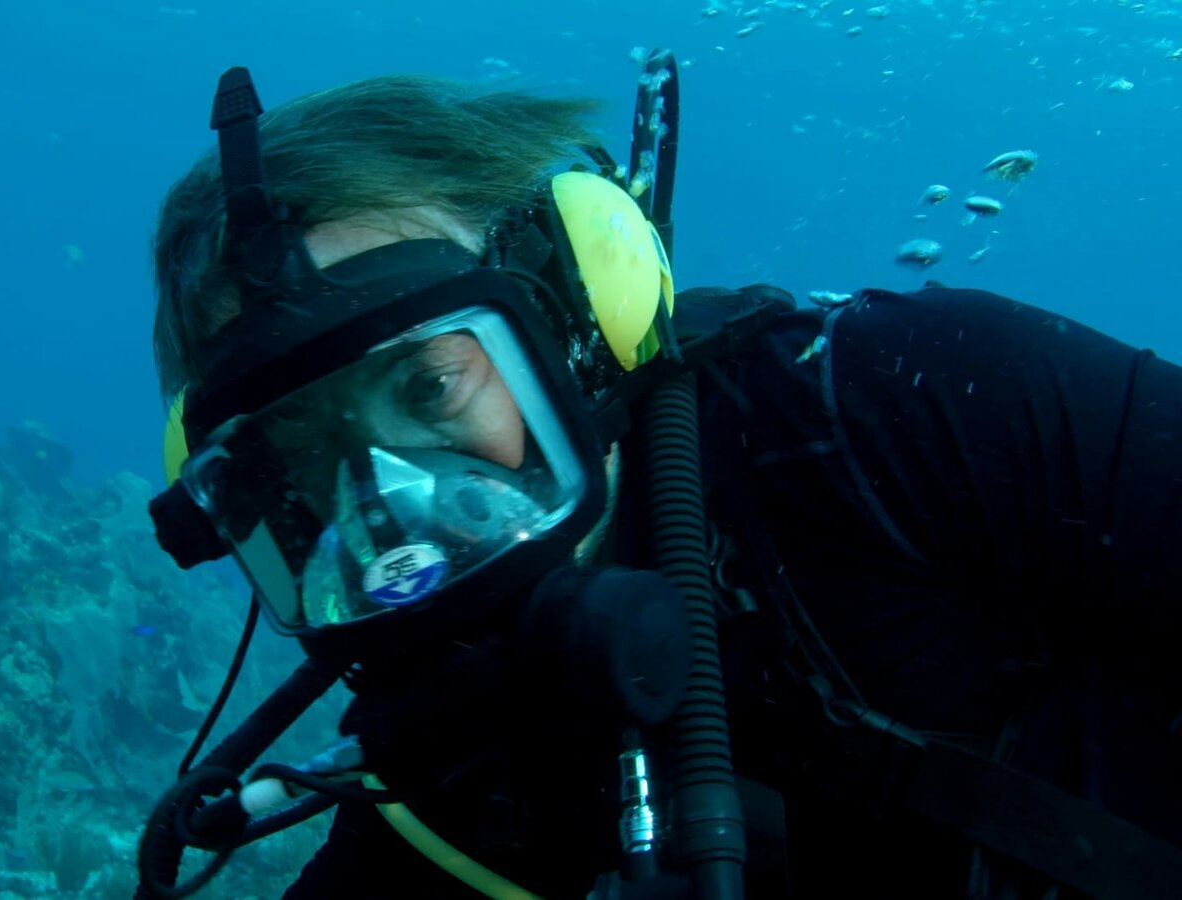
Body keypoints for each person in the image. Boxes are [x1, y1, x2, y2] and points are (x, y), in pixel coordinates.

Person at [135, 59, 1182, 900]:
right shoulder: (431, 781)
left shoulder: (903, 405)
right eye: (305, 455)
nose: (390, 502)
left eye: (429, 384)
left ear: (578, 305)